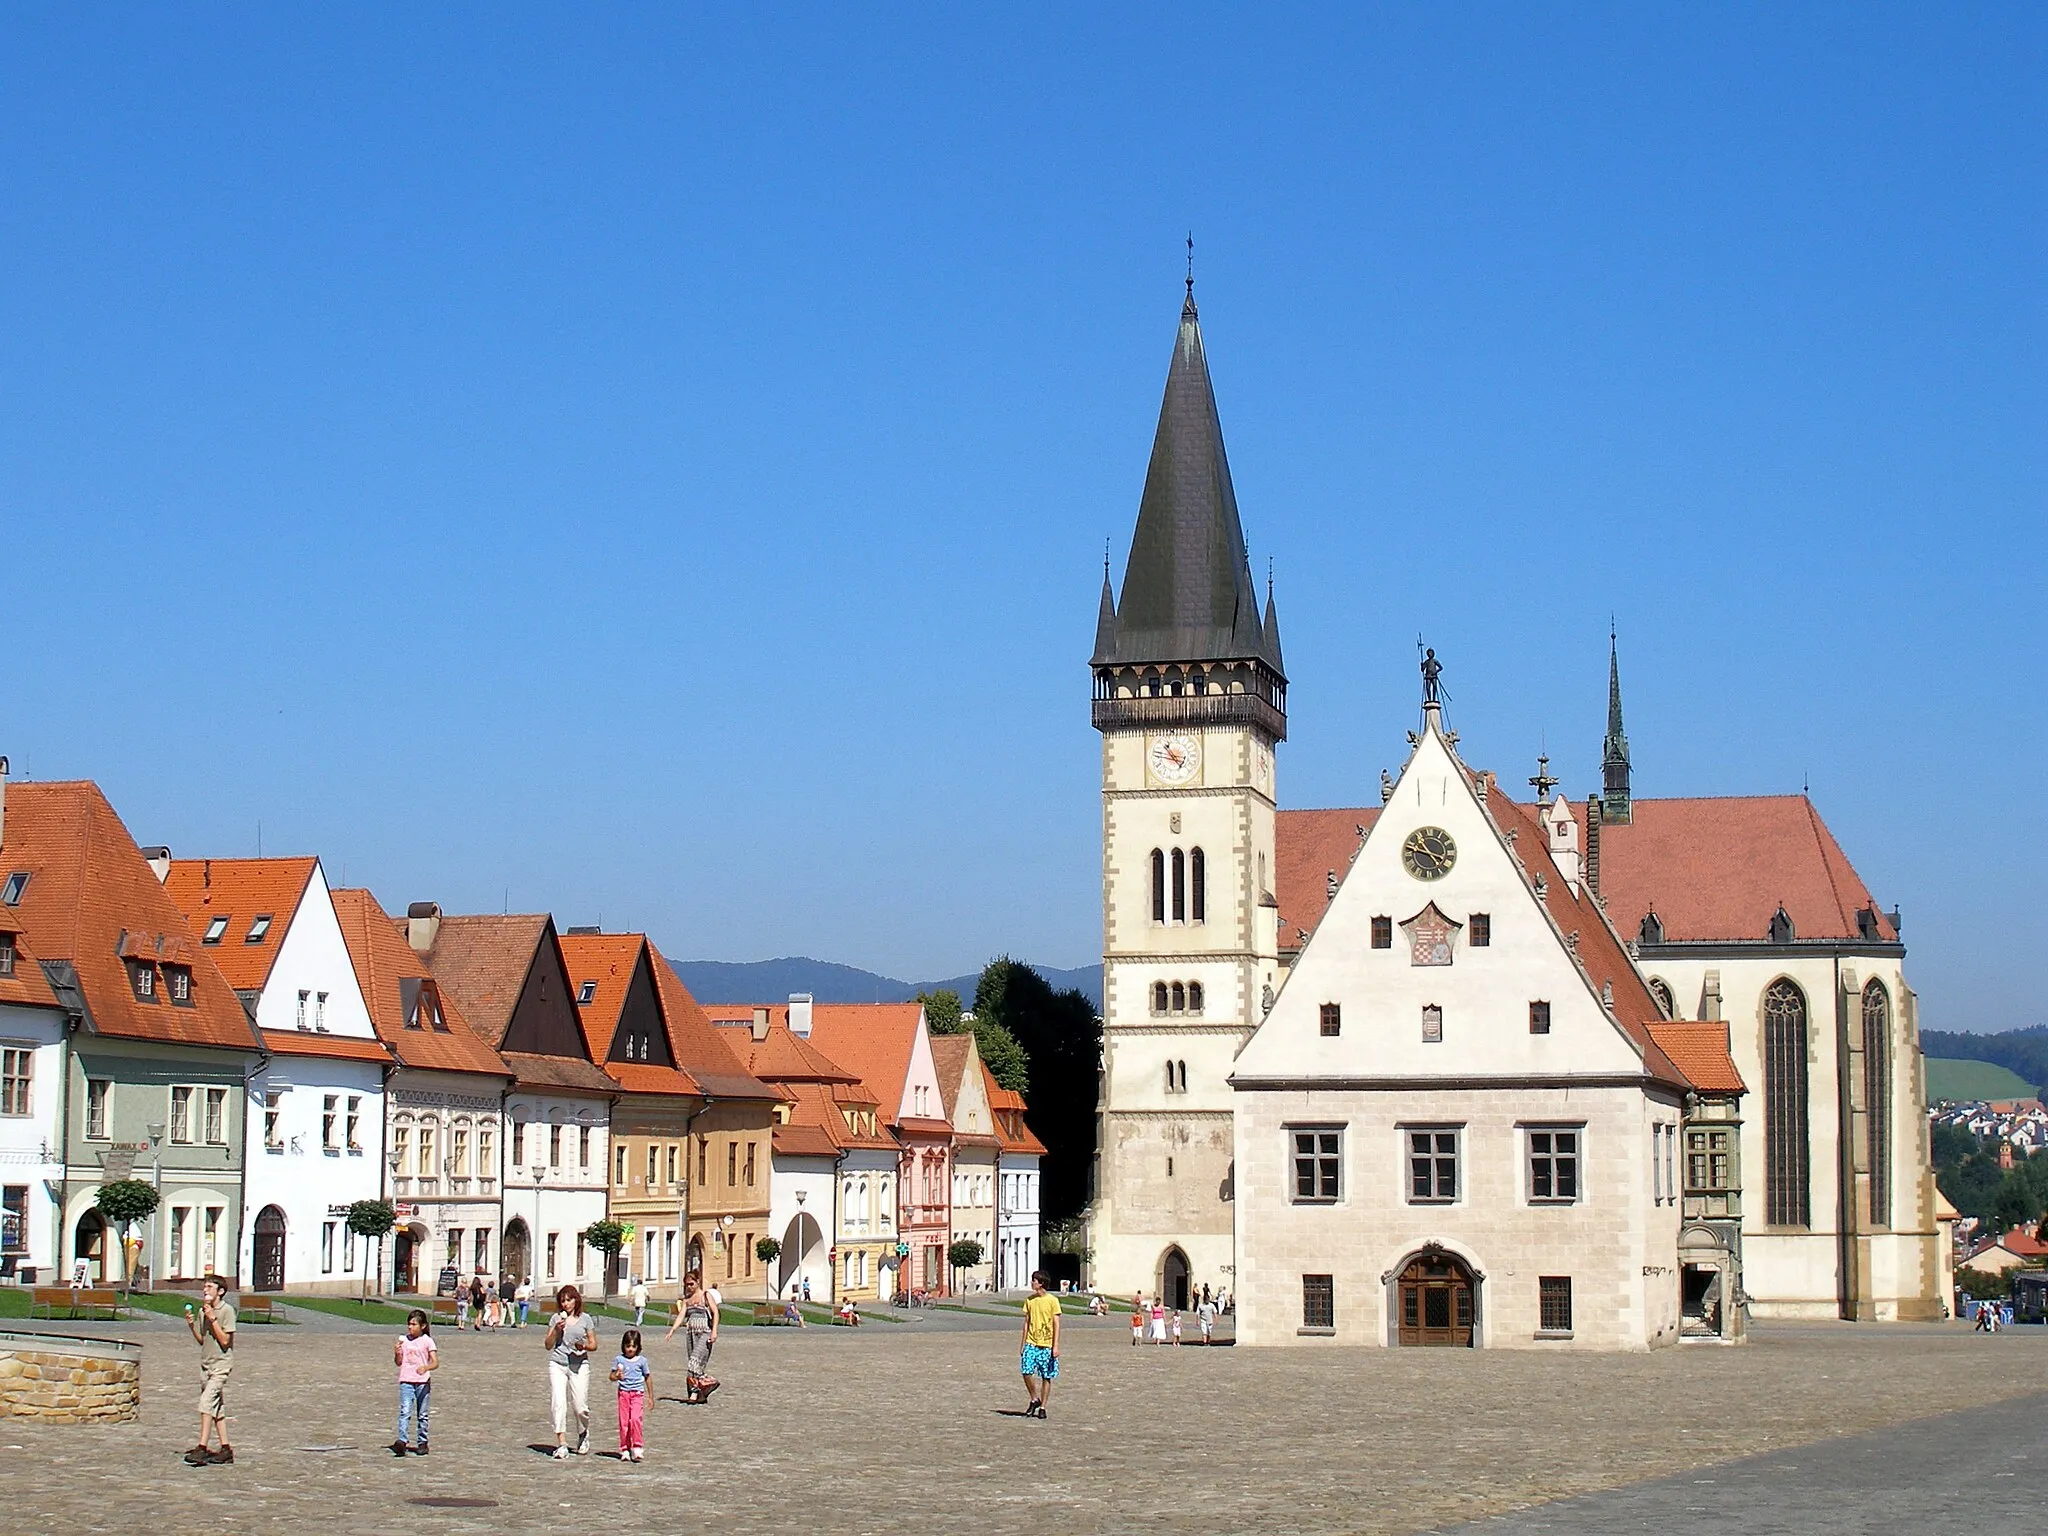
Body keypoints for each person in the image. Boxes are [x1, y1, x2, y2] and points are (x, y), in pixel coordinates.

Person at [182, 1275, 237, 1466]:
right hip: (206, 1364)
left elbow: (224, 1341)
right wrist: (192, 1325)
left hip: (221, 1365)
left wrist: (212, 1319)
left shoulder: (227, 1311)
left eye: (209, 1287)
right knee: (217, 1408)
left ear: (220, 1291)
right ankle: (226, 1449)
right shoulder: (202, 1311)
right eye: (204, 1287)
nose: (205, 1290)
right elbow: (202, 1340)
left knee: (206, 1403)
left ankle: (202, 1447)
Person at [544, 1284, 597, 1458]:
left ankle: (583, 1433)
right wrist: (556, 1331)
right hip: (558, 1364)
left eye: (569, 1300)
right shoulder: (556, 1319)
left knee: (580, 1406)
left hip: (579, 1364)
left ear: (576, 1300)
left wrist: (584, 1346)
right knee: (558, 1403)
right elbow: (548, 1345)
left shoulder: (585, 1319)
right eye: (563, 1301)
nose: (566, 1304)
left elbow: (593, 1344)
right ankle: (562, 1443)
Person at [666, 1271, 720, 1403]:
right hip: (691, 1333)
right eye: (687, 1285)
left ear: (698, 1282)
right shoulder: (687, 1300)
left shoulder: (706, 1296)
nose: (689, 1287)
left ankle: (710, 1382)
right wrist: (672, 1330)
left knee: (694, 1362)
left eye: (691, 1284)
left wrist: (714, 1331)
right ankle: (696, 1395)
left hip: (705, 1333)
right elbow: (681, 1316)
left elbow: (715, 1312)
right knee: (694, 1365)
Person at [391, 1308, 439, 1456]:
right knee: (405, 1411)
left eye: (413, 1324)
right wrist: (397, 1352)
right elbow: (399, 1362)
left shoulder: (427, 1341)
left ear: (422, 1326)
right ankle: (402, 1441)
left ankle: (422, 1442)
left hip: (422, 1382)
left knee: (422, 1413)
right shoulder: (405, 1341)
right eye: (409, 1324)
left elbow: (435, 1362)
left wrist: (425, 1367)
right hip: (406, 1380)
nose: (410, 1327)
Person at [1019, 1270, 1061, 1419]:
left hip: (1047, 1344)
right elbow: (1026, 1323)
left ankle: (1043, 1406)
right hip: (1031, 1342)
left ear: (1041, 1283)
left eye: (1034, 1280)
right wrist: (1023, 1343)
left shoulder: (1052, 1301)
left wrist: (1055, 1345)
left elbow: (1056, 1324)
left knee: (1046, 1376)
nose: (1032, 1283)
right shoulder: (1030, 1300)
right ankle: (1034, 1398)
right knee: (1026, 1371)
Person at [610, 1328, 651, 1462]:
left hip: (637, 1393)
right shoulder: (619, 1359)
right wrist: (617, 1376)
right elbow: (611, 1376)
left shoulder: (642, 1361)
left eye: (634, 1346)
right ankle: (625, 1448)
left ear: (638, 1347)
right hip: (623, 1394)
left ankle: (637, 1446)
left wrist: (650, 1396)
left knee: (635, 1419)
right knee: (624, 1423)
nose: (630, 1349)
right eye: (628, 1346)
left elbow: (648, 1377)